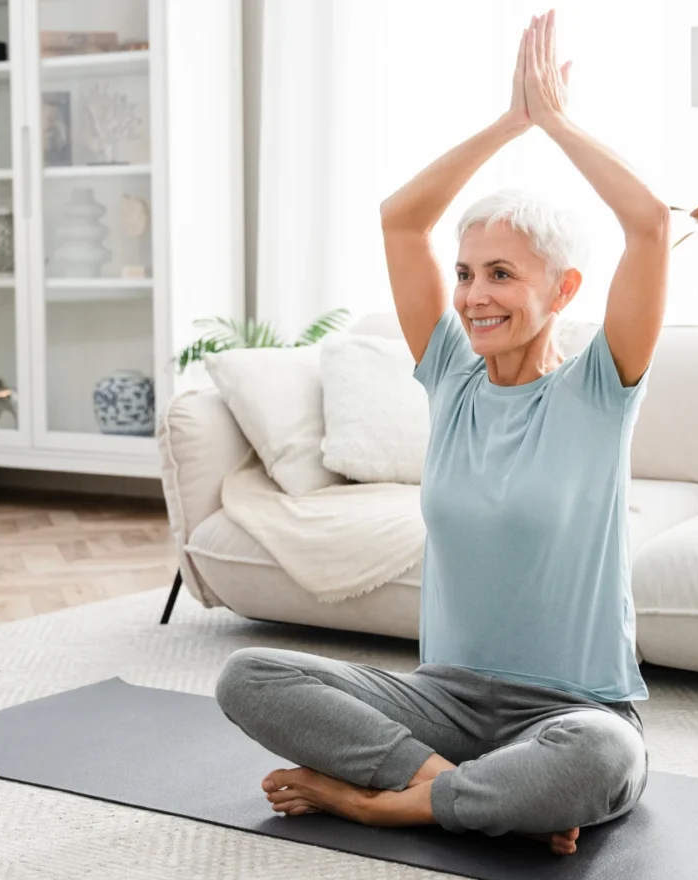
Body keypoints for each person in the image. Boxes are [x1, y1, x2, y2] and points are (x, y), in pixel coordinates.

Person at [214, 9, 668, 856]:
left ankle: (376, 802)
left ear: (563, 290)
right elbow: (400, 220)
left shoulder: (601, 389)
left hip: (571, 711)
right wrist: (510, 121)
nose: (474, 296)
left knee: (605, 757)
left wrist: (558, 124)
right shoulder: (453, 380)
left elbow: (648, 223)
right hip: (445, 705)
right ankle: (458, 792)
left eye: (501, 274)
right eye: (465, 274)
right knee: (249, 676)